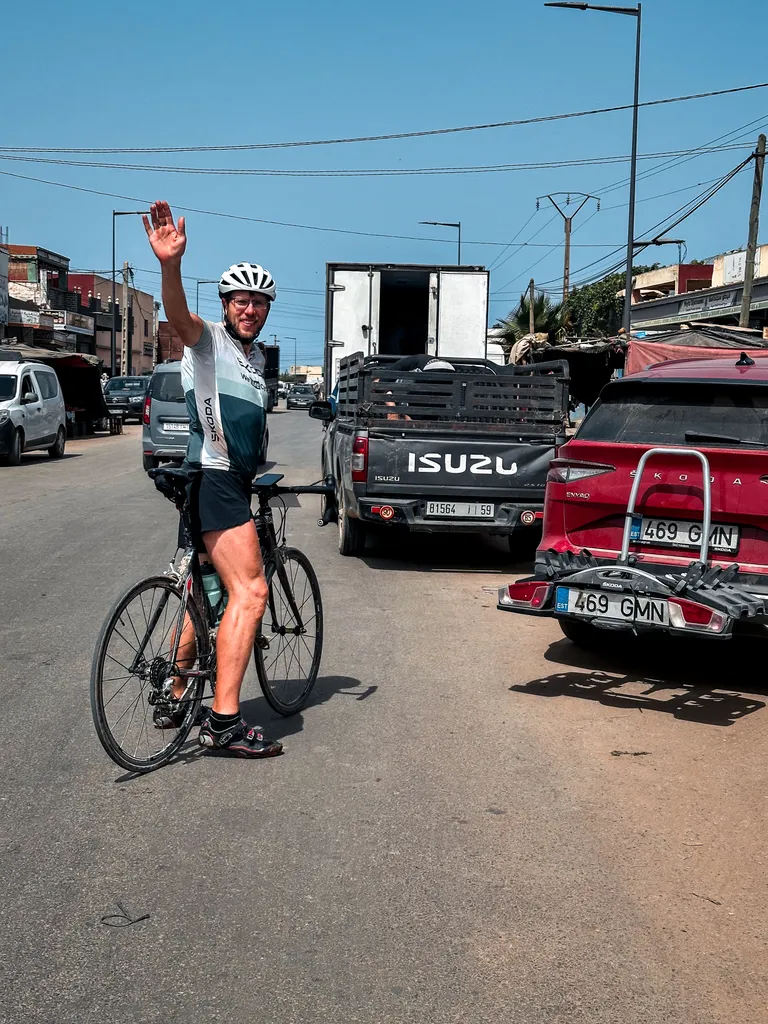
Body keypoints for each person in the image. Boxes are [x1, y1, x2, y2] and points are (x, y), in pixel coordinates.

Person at [143, 200, 282, 758]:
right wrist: (170, 267)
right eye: (240, 300)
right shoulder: (210, 344)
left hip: (221, 481)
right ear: (225, 305)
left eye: (258, 301)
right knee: (251, 593)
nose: (249, 308)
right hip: (216, 480)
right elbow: (179, 319)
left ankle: (177, 691)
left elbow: (249, 429)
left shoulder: (254, 360)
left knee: (206, 594)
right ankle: (224, 722)